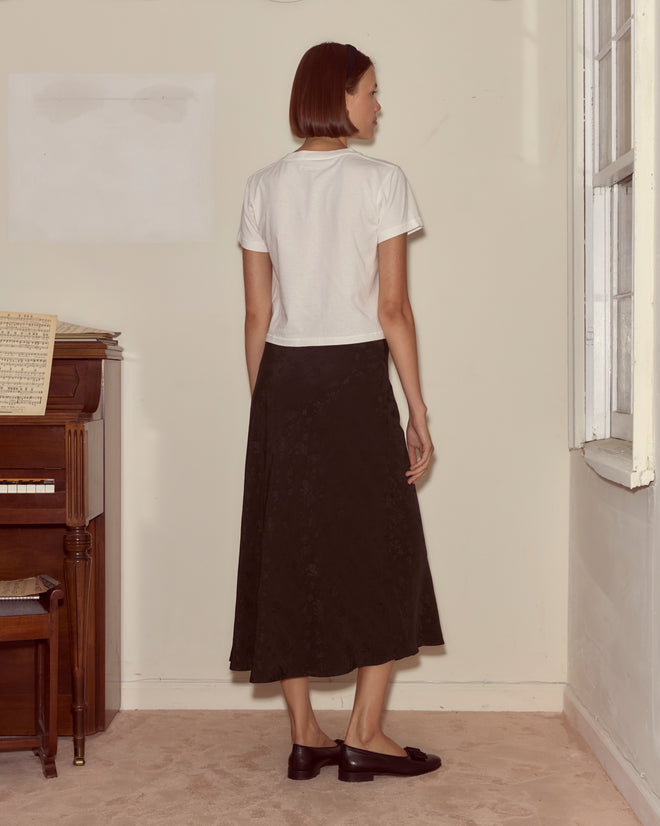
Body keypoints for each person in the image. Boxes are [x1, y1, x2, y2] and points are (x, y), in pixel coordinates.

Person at [230, 42, 444, 783]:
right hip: (355, 378)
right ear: (340, 95)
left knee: (286, 551)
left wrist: (267, 410)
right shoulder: (382, 181)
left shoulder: (262, 185)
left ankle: (305, 737)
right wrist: (417, 409)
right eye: (371, 91)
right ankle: (364, 733)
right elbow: (393, 308)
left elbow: (257, 313)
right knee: (383, 550)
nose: (378, 105)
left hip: (283, 379)